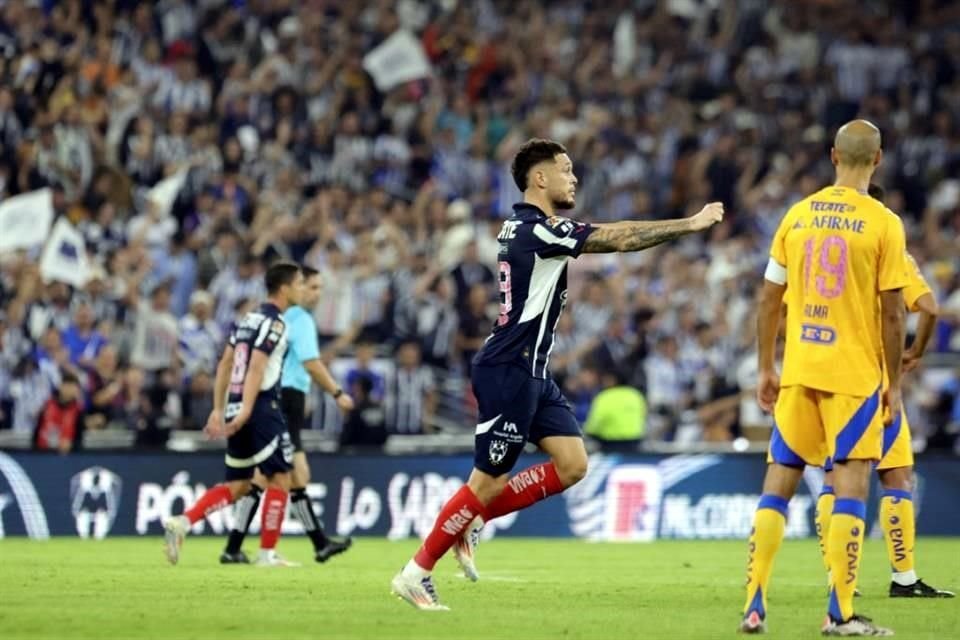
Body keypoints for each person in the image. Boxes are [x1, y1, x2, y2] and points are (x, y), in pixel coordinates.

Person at [389, 138, 723, 610]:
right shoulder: (536, 230)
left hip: (533, 371)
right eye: (566, 170)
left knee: (572, 464)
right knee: (486, 482)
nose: (574, 178)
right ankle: (416, 572)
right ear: (539, 178)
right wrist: (690, 224)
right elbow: (620, 238)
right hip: (509, 369)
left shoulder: (521, 228)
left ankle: (471, 523)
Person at [741, 121, 905, 636]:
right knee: (851, 486)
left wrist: (767, 366)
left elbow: (769, 297)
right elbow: (895, 314)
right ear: (877, 160)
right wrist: (894, 384)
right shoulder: (883, 222)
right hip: (854, 373)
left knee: (778, 485)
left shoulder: (798, 214)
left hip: (800, 369)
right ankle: (840, 613)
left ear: (833, 156)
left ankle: (754, 604)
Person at [813, 184, 954, 599]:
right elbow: (927, 307)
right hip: (874, 377)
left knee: (832, 475)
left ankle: (837, 576)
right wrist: (914, 352)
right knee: (896, 476)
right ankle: (904, 578)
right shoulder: (884, 242)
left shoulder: (817, 241)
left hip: (825, 373)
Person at [162, 261, 302, 567]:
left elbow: (225, 364)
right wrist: (250, 410)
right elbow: (256, 367)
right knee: (280, 478)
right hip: (262, 407)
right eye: (299, 283)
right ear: (285, 288)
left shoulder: (246, 320)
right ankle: (267, 554)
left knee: (239, 485)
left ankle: (182, 523)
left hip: (237, 403)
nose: (302, 289)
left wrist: (220, 408)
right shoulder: (276, 324)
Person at [220, 265, 356, 564]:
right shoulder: (300, 319)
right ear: (295, 287)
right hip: (283, 398)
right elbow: (310, 363)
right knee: (284, 475)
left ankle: (240, 546)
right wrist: (336, 393)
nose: (316, 294)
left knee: (276, 476)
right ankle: (264, 547)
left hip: (280, 396)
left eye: (320, 288)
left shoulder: (281, 317)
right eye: (311, 287)